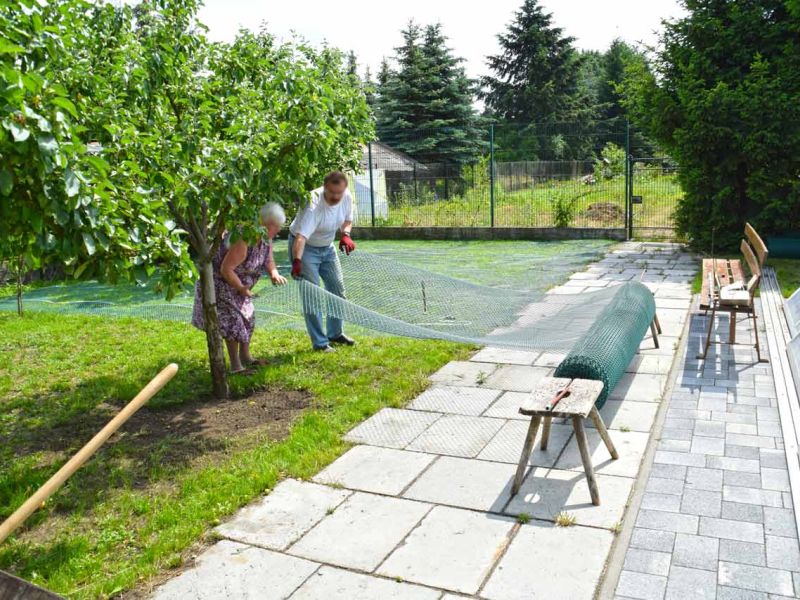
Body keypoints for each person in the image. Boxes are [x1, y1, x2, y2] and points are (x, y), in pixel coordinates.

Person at [192, 202, 288, 373]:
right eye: (276, 226)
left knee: (248, 318)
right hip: (220, 283)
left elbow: (268, 259)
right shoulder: (244, 239)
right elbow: (226, 269)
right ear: (265, 223)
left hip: (240, 285)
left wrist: (274, 273)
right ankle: (236, 366)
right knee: (234, 322)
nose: (278, 230)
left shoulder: (265, 238)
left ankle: (246, 357)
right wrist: (241, 288)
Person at [289, 171, 357, 352]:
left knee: (337, 290)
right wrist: (297, 261)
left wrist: (345, 235)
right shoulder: (313, 204)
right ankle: (320, 343)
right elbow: (301, 238)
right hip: (305, 248)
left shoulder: (346, 196)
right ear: (325, 187)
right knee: (312, 295)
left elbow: (347, 219)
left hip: (327, 247)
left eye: (339, 193)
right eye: (332, 193)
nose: (336, 197)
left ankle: (335, 333)